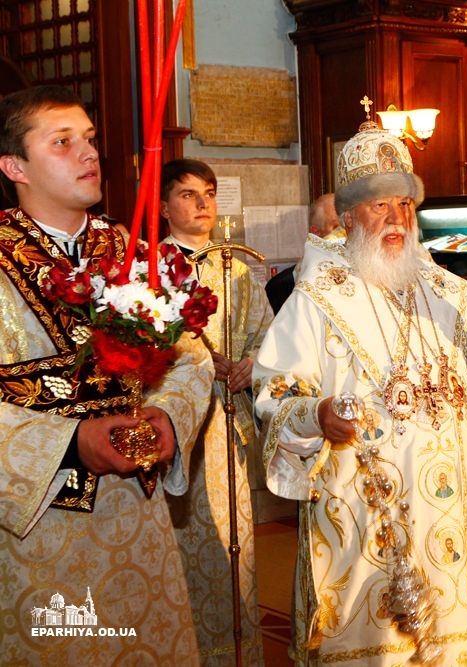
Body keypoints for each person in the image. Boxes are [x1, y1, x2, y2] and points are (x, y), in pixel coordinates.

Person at [253, 118, 467, 665]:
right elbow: (275, 390)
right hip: (365, 506)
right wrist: (316, 414)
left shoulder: (446, 291)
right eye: (380, 205)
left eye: (405, 203)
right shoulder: (317, 298)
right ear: (349, 217)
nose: (397, 218)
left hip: (448, 506)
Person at [0, 85, 213, 661]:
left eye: (90, 139)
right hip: (35, 529)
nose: (89, 153)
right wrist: (70, 443)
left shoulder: (132, 252)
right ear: (14, 166)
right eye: (62, 142)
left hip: (139, 521)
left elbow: (193, 359)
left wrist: (167, 416)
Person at [159, 158, 272, 665]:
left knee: (233, 542)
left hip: (229, 423)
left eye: (209, 193)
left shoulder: (239, 269)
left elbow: (268, 335)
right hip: (177, 427)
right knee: (182, 544)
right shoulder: (149, 271)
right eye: (188, 194)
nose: (203, 203)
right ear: (164, 206)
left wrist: (252, 365)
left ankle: (235, 653)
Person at [265, 192, 340, 314]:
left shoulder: (364, 277)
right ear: (316, 233)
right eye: (337, 227)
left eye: (349, 224)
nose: (345, 233)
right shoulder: (282, 287)